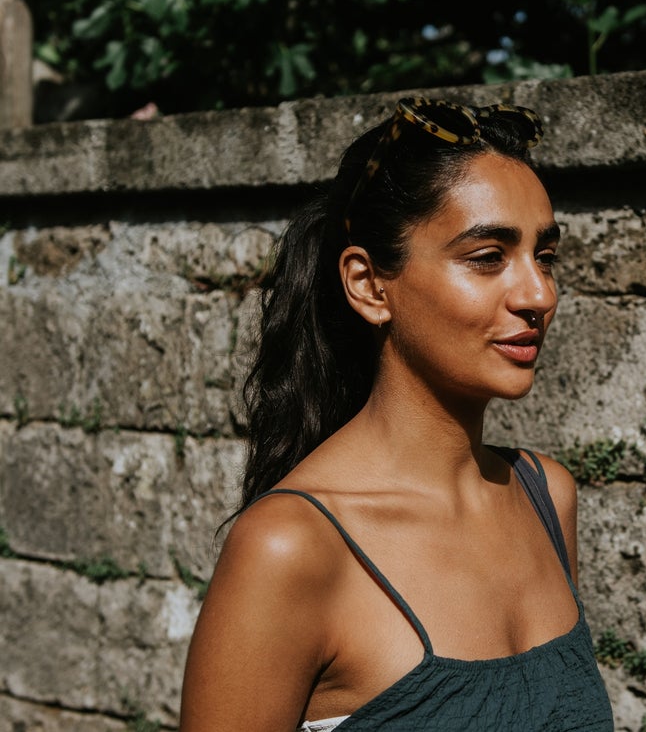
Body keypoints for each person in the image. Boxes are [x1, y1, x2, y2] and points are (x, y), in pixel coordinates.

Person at [180, 97, 613, 731]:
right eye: (487, 257)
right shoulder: (293, 548)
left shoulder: (545, 497)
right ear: (369, 285)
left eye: (544, 256)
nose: (538, 294)